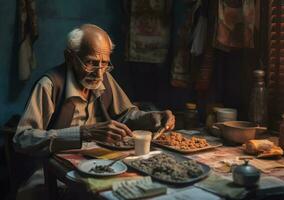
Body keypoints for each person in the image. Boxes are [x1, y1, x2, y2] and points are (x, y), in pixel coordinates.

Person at [13, 24, 175, 200]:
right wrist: (84, 133)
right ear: (69, 57)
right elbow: (23, 139)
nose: (99, 73)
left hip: (104, 163)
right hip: (53, 170)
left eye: (104, 63)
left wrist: (150, 118)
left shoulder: (104, 78)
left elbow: (126, 115)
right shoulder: (49, 85)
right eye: (91, 62)